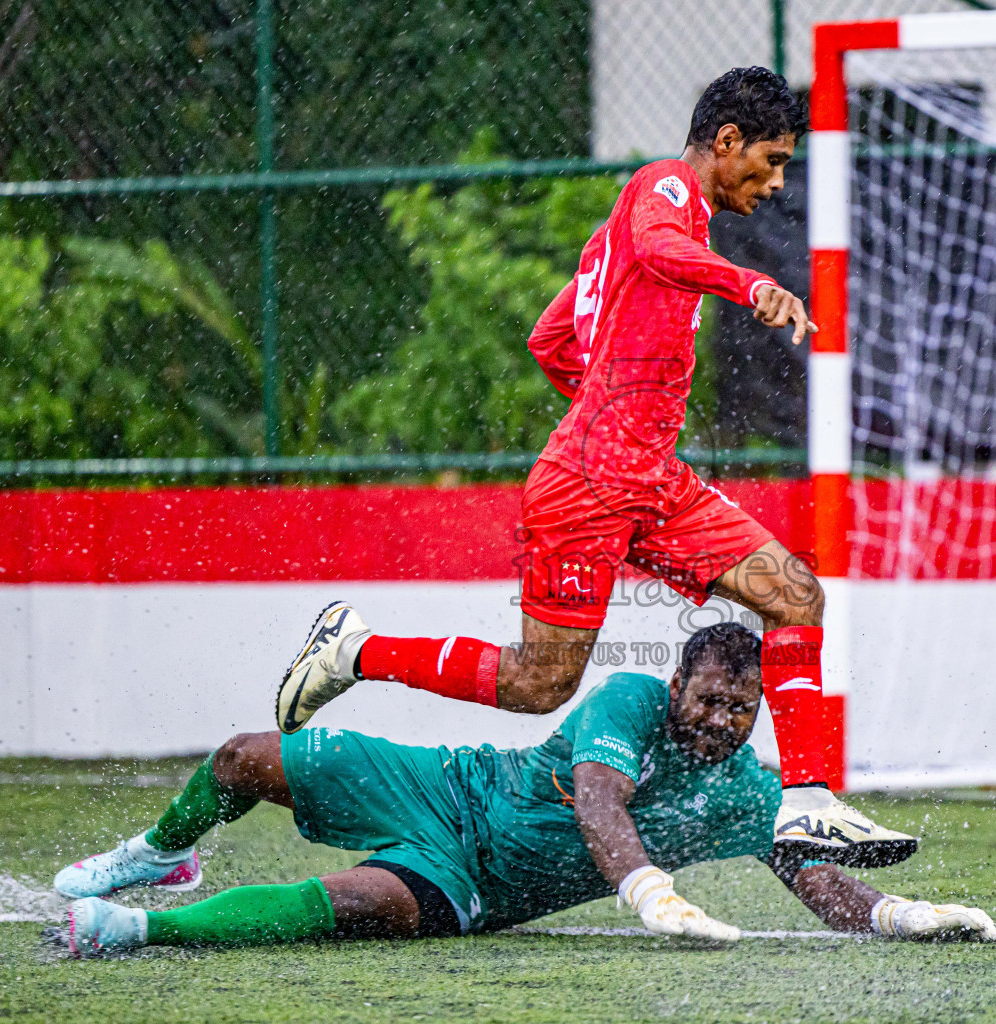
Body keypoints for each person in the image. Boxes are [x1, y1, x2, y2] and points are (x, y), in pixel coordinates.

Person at [275, 65, 912, 868]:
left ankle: (810, 803)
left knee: (791, 592)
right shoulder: (667, 188)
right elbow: (657, 245)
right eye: (773, 159)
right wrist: (749, 284)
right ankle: (354, 651)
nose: (778, 181)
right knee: (539, 685)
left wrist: (609, 412)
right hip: (587, 485)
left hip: (645, 476)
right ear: (726, 142)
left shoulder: (614, 242)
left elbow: (550, 339)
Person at [59, 625, 991, 956]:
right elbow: (598, 801)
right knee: (241, 759)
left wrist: (899, 915)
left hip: (479, 888)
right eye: (711, 700)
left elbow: (815, 878)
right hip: (447, 787)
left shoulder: (753, 792)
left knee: (351, 906)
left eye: (742, 711)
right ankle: (160, 855)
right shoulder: (629, 698)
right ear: (679, 688)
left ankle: (140, 930)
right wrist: (649, 894)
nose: (723, 721)